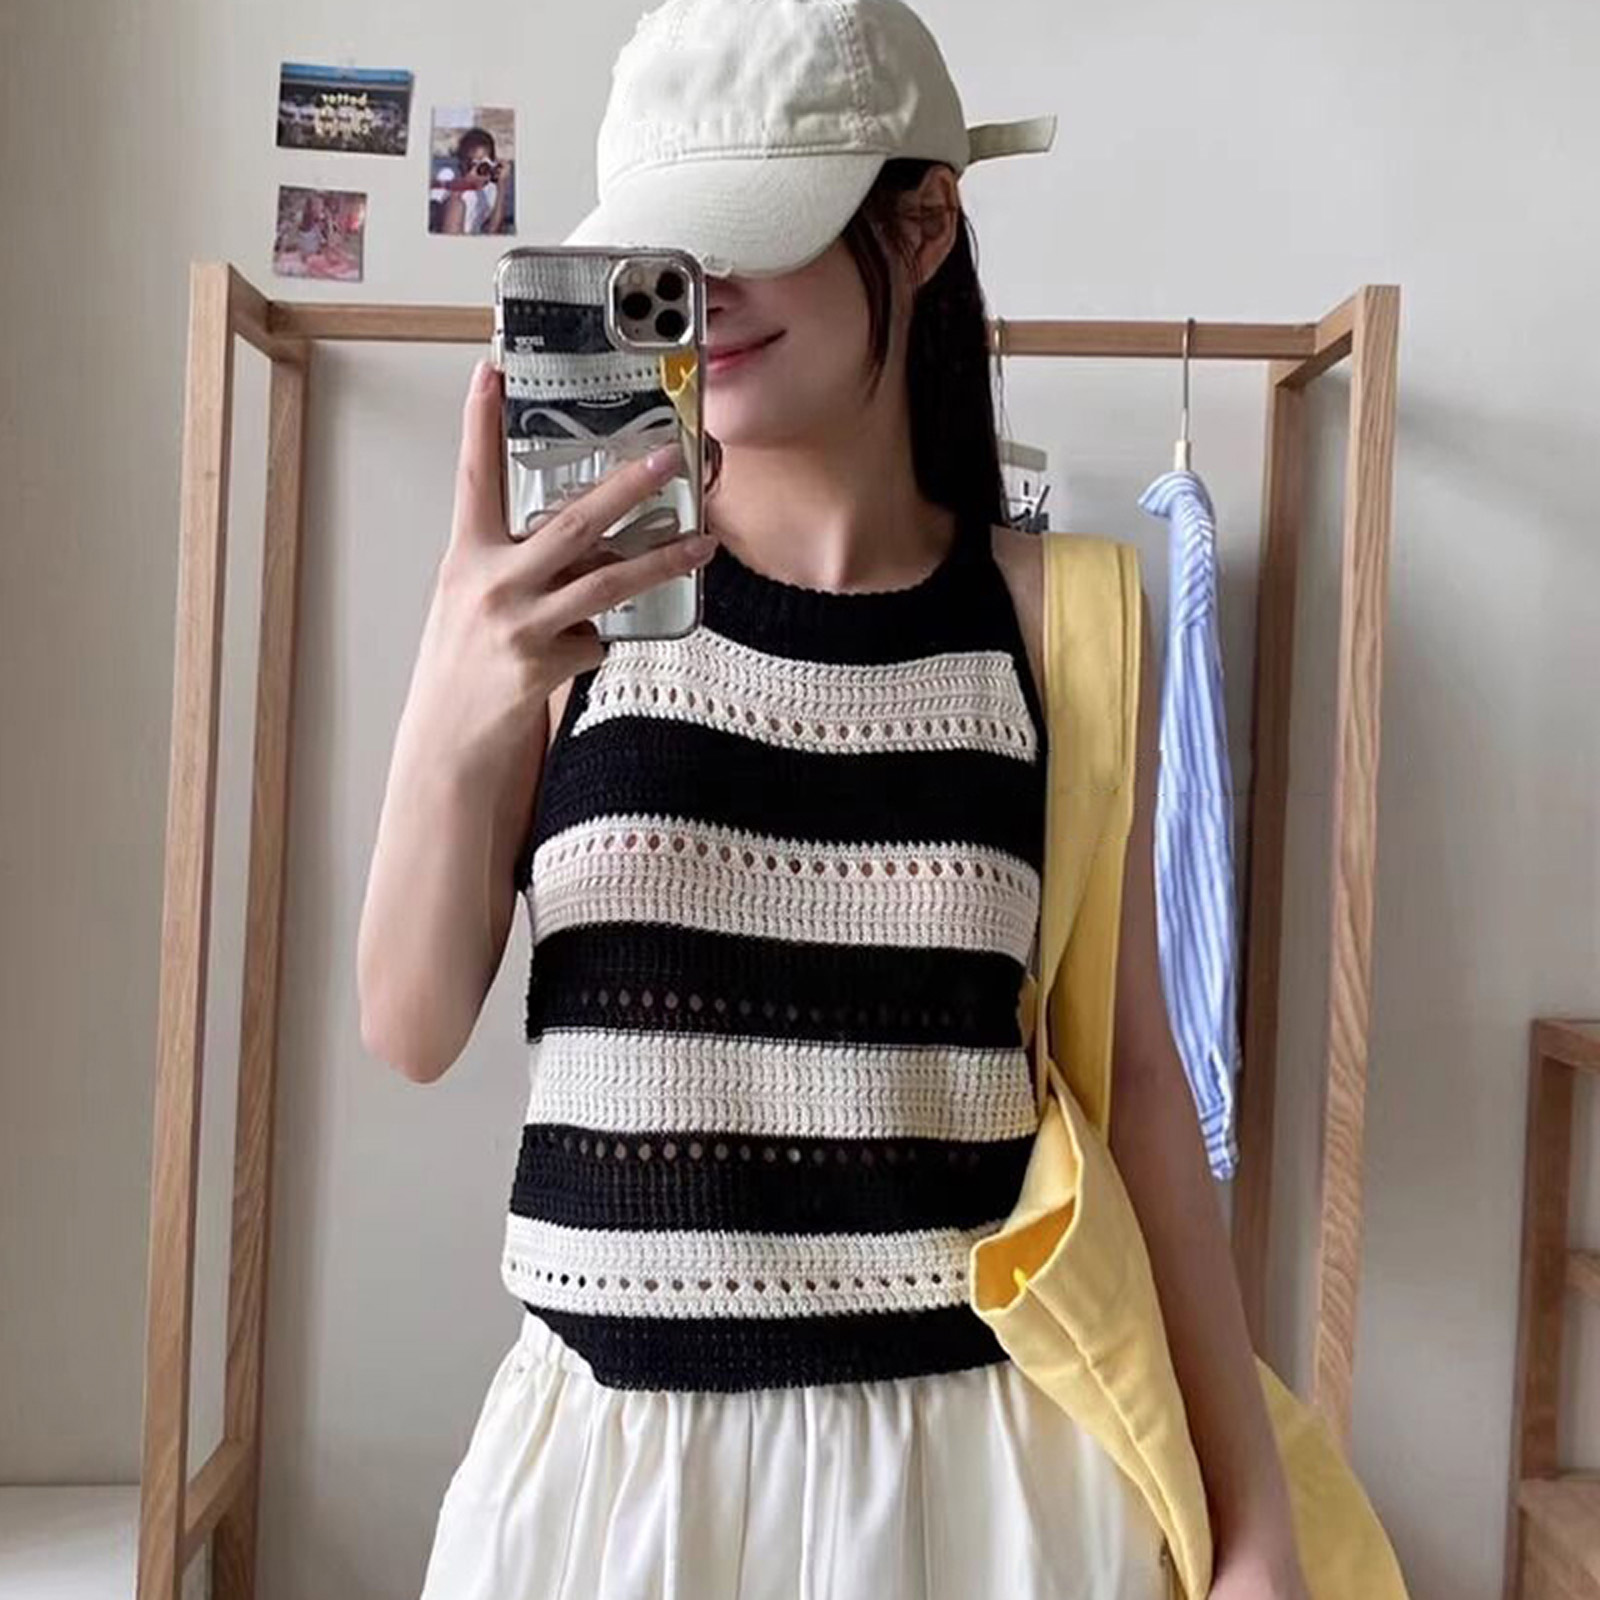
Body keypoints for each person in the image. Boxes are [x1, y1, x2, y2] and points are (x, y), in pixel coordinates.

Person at [358, 1, 1310, 1595]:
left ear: (922, 224)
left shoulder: (1064, 620)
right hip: (612, 1491)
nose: (703, 291)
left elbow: (1141, 1088)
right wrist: (460, 693)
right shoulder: (556, 608)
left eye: (755, 230)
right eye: (666, 249)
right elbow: (407, 1022)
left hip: (981, 1488)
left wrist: (1253, 1520)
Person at [431, 126, 511, 235]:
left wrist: (502, 187)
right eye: (470, 163)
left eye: (482, 163)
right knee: (457, 204)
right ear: (460, 161)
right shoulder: (448, 175)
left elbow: (493, 231)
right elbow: (436, 218)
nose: (475, 169)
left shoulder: (490, 189)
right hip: (448, 236)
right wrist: (465, 184)